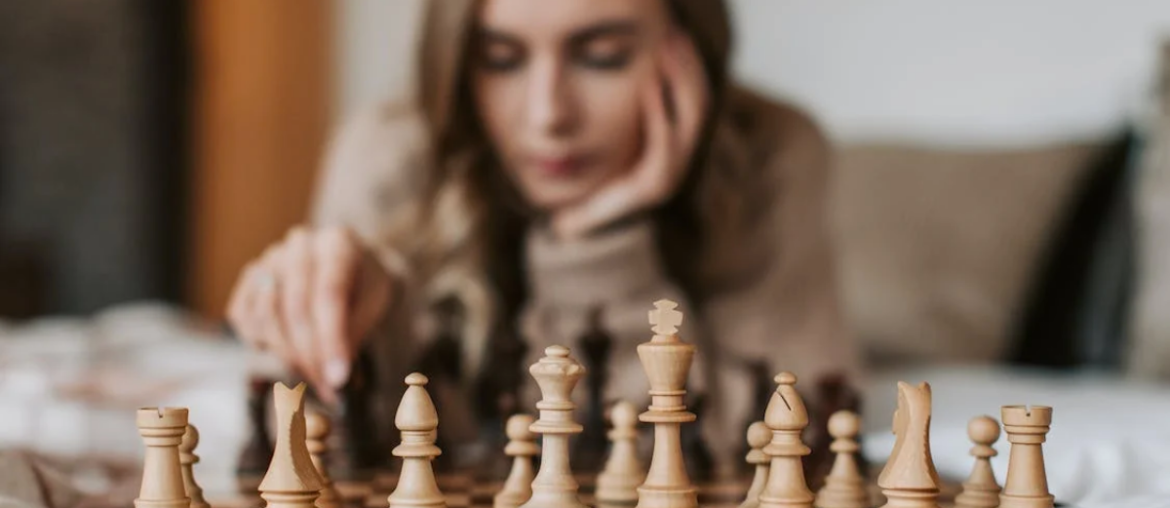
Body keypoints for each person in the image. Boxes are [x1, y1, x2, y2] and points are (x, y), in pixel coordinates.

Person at [226, 0, 859, 471]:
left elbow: (765, 451)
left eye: (601, 56)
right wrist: (346, 321)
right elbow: (316, 418)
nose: (547, 114)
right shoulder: (388, 152)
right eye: (500, 60)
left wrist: (602, 243)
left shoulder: (774, 154)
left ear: (688, 44)